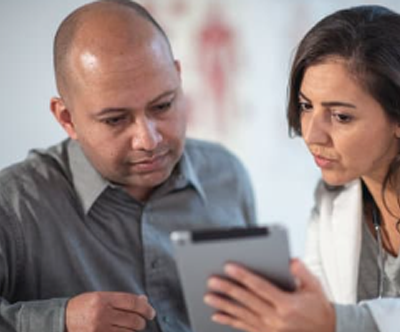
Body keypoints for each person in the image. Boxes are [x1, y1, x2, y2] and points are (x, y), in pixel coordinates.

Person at [0, 1, 256, 331]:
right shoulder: (13, 207)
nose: (148, 140)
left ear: (178, 77)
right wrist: (58, 322)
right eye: (116, 119)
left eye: (163, 105)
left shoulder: (225, 175)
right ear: (67, 118)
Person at [204, 5, 400, 332]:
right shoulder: (332, 201)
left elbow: (332, 320)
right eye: (307, 106)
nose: (311, 134)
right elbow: (318, 312)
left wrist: (336, 321)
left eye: (341, 116)